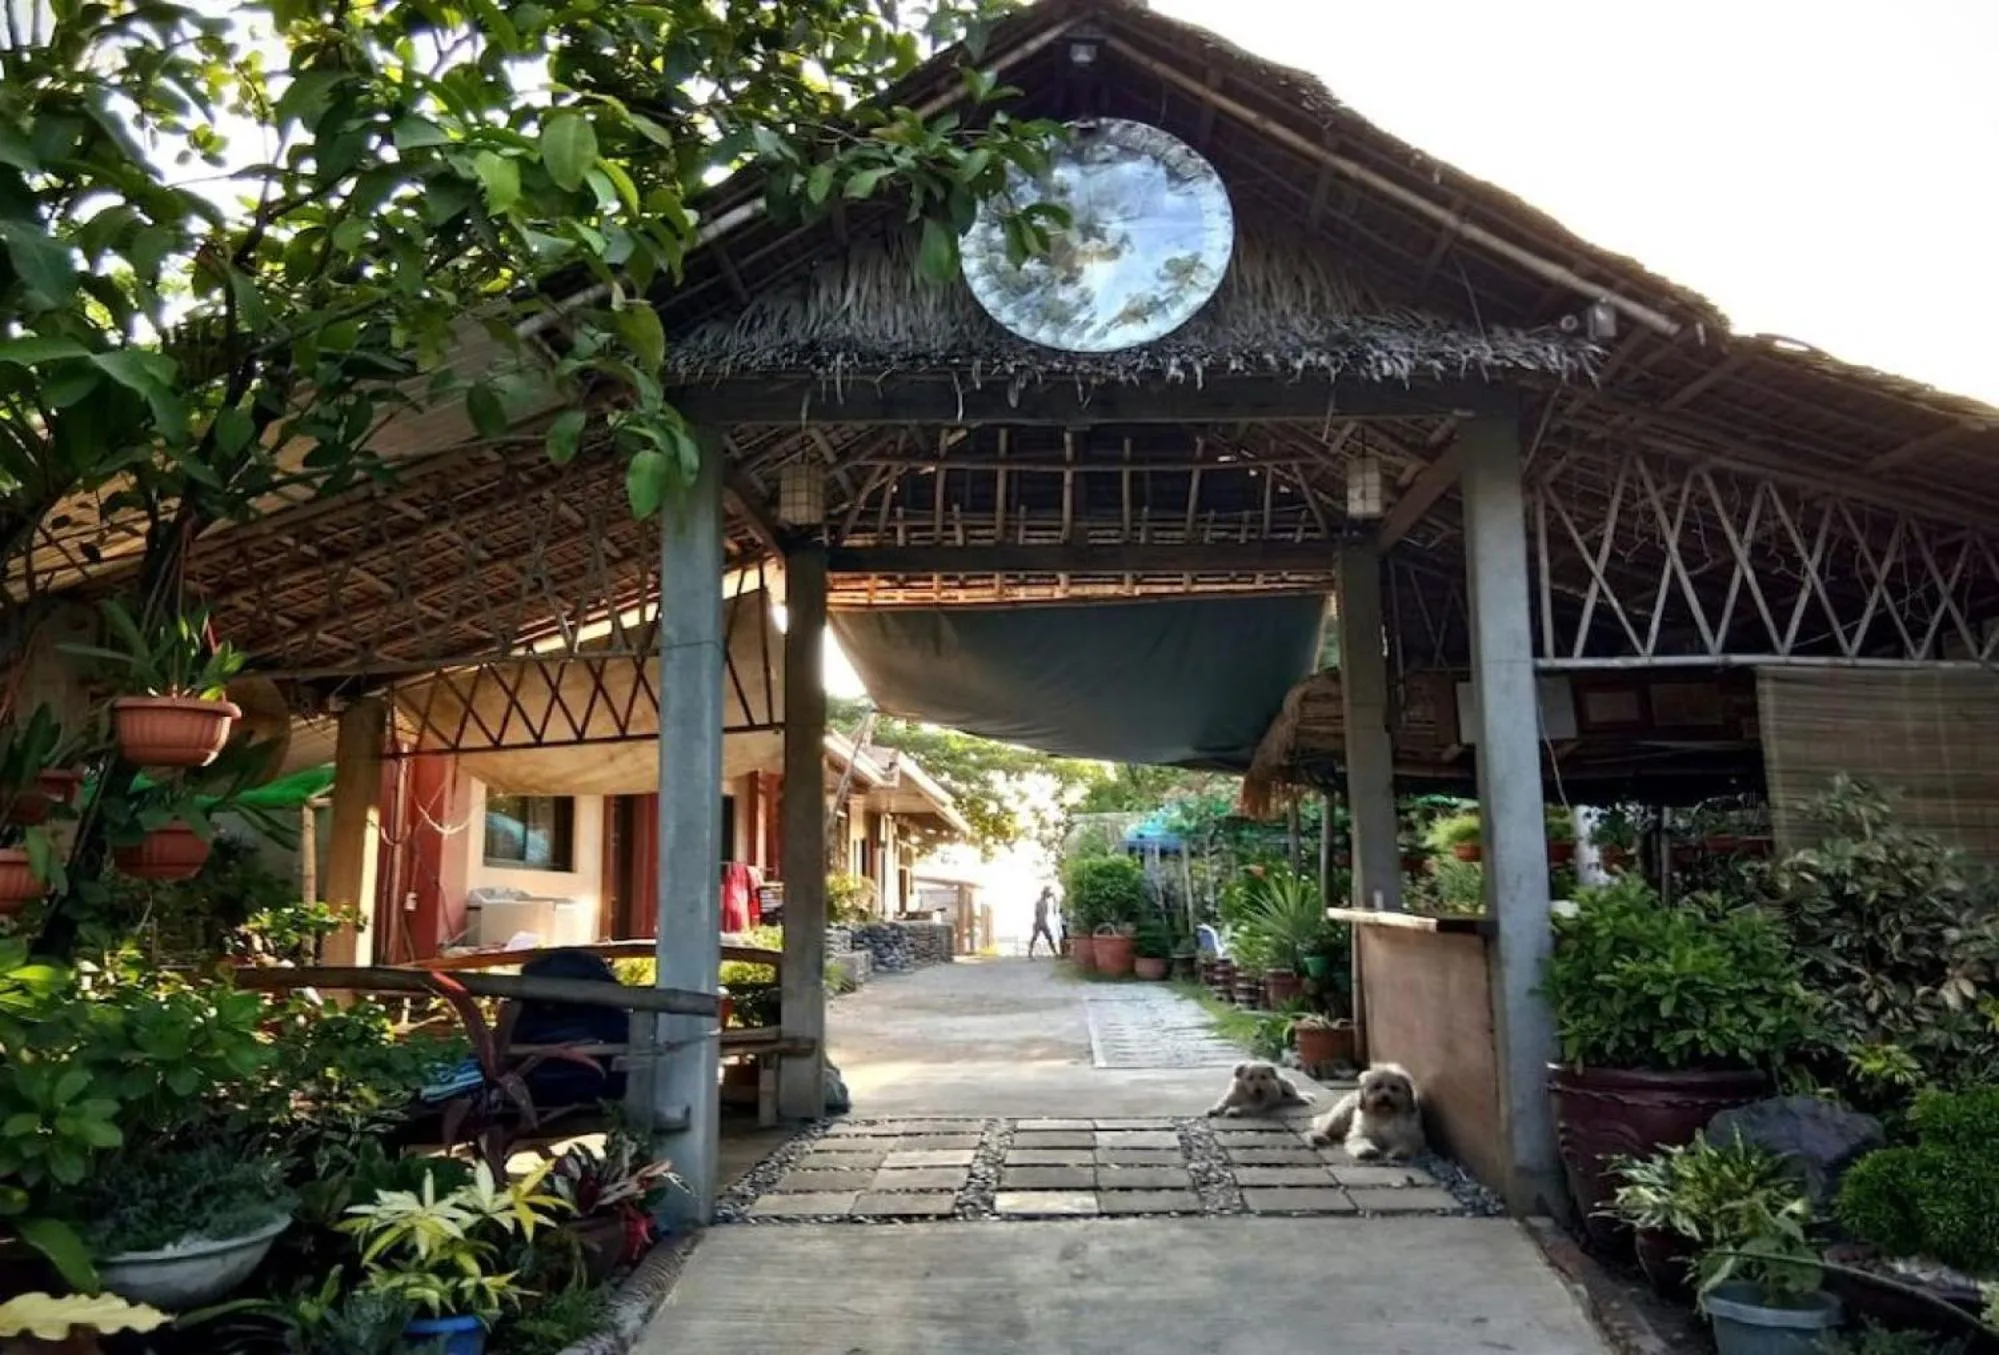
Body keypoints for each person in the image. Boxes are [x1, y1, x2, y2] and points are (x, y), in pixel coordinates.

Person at [1029, 886, 1058, 957]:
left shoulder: (1045, 902)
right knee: (1035, 937)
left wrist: (1053, 897)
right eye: (1047, 893)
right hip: (1039, 922)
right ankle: (1030, 952)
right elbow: (1037, 913)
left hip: (1044, 922)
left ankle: (1055, 953)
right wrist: (1038, 922)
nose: (1048, 895)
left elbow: (1052, 897)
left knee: (1049, 937)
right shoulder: (1039, 902)